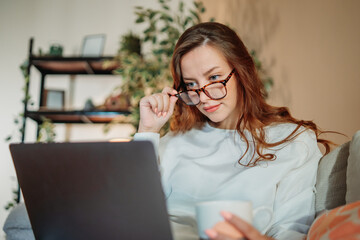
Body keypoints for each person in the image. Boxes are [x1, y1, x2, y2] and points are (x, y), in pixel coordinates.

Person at [133, 22, 332, 240]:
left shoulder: (293, 141)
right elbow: (128, 210)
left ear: (241, 71)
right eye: (191, 85)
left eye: (214, 78)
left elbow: (291, 232)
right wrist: (147, 131)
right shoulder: (175, 142)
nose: (204, 96)